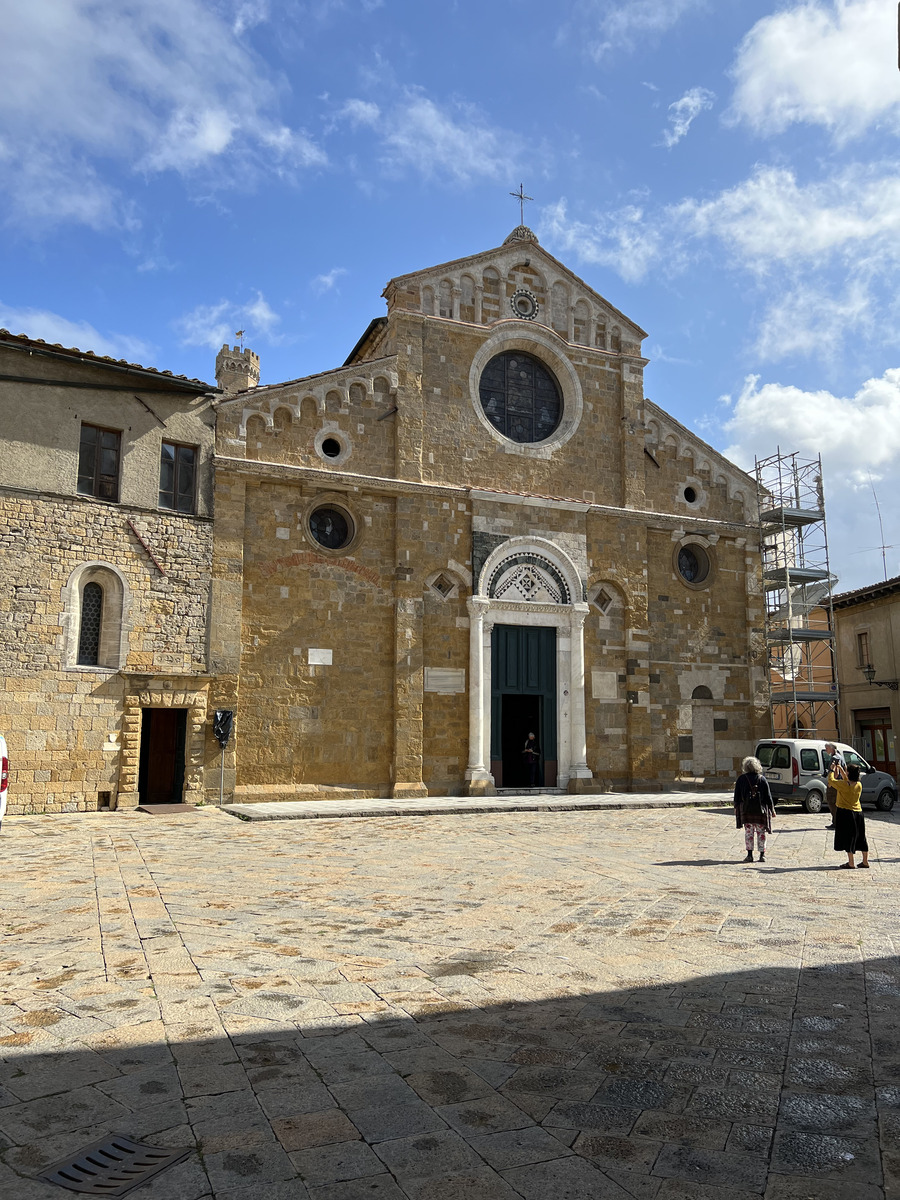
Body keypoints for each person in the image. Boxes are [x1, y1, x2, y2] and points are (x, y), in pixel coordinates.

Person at [734, 755, 776, 862]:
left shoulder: (741, 779)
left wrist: (736, 807)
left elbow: (737, 795)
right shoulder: (762, 779)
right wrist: (772, 810)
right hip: (760, 811)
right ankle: (762, 855)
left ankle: (749, 855)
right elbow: (768, 796)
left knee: (749, 833)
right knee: (761, 833)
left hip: (746, 811)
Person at [829, 761, 869, 869]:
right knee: (861, 837)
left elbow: (831, 781)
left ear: (849, 774)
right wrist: (841, 769)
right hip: (858, 813)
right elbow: (848, 781)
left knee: (848, 837)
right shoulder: (859, 785)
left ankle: (851, 863)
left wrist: (832, 769)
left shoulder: (843, 786)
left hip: (846, 813)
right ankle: (865, 861)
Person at [823, 741, 846, 830]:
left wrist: (830, 783)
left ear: (832, 749)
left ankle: (836, 822)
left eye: (827, 748)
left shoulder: (834, 758)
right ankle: (837, 821)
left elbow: (836, 771)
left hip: (834, 784)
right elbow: (845, 768)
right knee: (837, 803)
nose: (826, 750)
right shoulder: (840, 756)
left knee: (831, 802)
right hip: (840, 783)